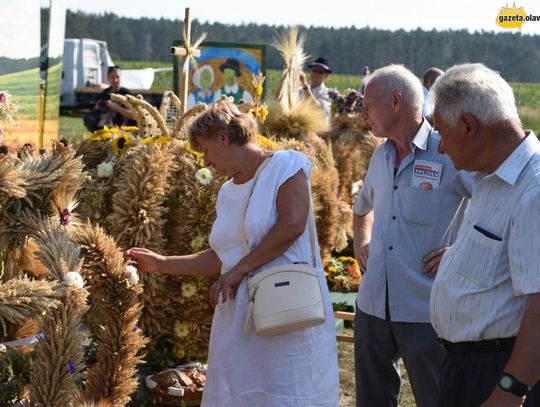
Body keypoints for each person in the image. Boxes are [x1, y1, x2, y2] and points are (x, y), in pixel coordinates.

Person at [126, 99, 339, 407]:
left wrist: (239, 270)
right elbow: (220, 257)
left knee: (289, 393)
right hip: (240, 319)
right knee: (243, 395)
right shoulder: (227, 192)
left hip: (287, 310)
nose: (205, 162)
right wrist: (160, 264)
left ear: (222, 138)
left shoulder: (286, 166)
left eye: (205, 151)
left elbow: (292, 225)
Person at [353, 64, 472, 407]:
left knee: (436, 398)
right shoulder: (381, 154)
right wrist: (362, 241)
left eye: (368, 104)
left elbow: (493, 207)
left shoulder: (448, 152)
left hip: (425, 309)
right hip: (372, 306)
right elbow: (362, 209)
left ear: (395, 101)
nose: (363, 113)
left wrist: (458, 250)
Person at [429, 63, 540, 407]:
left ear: (468, 126)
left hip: (500, 373)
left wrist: (509, 390)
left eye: (442, 133)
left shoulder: (533, 189)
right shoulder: (489, 177)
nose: (441, 148)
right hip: (469, 366)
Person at [85, 66, 135, 131]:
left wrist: (114, 106)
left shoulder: (125, 93)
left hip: (122, 129)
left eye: (117, 77)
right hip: (104, 129)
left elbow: (133, 116)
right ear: (108, 78)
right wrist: (98, 107)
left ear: (121, 77)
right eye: (112, 77)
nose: (115, 80)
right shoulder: (105, 92)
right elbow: (97, 110)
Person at [299, 57, 332, 122]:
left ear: (326, 76)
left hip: (319, 131)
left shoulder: (329, 94)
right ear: (310, 72)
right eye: (314, 71)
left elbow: (317, 108)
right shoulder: (300, 90)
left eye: (320, 72)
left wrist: (305, 86)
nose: (316, 74)